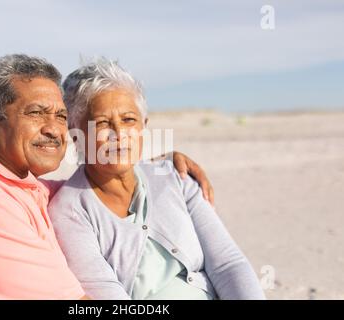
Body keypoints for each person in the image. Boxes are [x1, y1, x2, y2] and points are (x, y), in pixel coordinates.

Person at [0, 54, 213, 299]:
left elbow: (94, 187)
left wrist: (152, 165)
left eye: (61, 116)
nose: (54, 129)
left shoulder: (20, 188)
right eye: (36, 113)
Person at [48, 58, 265, 300]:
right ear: (76, 135)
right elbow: (107, 295)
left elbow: (228, 265)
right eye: (102, 123)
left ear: (143, 126)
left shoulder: (176, 177)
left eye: (128, 120)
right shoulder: (69, 211)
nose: (119, 134)